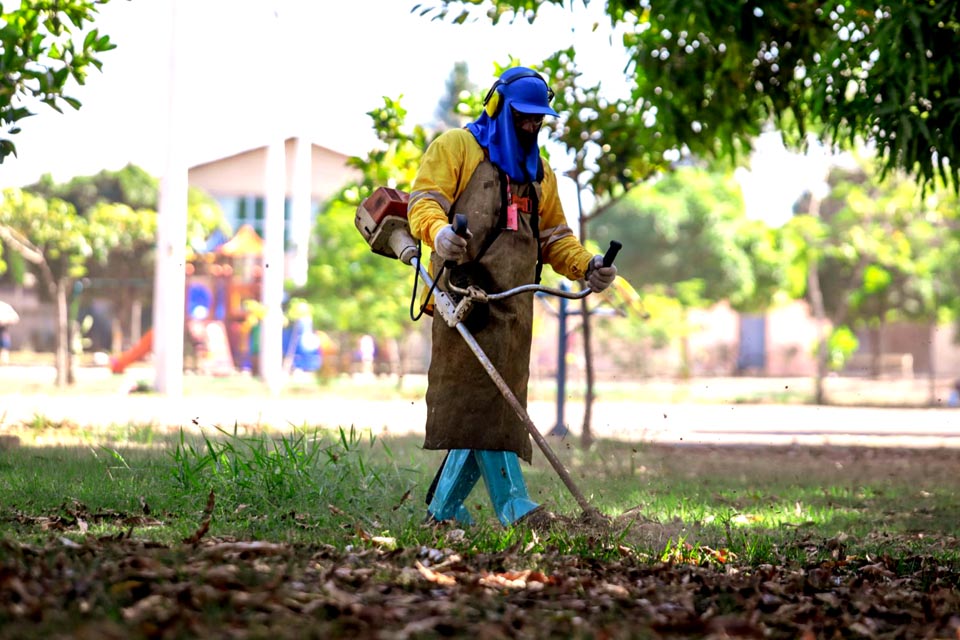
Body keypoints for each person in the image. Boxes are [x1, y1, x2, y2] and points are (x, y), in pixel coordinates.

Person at [407, 66, 618, 527]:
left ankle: (441, 511)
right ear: (500, 108)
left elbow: (555, 237)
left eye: (539, 118)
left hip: (514, 307)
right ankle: (516, 509)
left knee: (489, 409)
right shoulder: (456, 148)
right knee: (484, 405)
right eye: (524, 116)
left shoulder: (540, 173)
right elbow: (423, 201)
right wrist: (439, 233)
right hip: (461, 301)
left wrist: (588, 266)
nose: (532, 125)